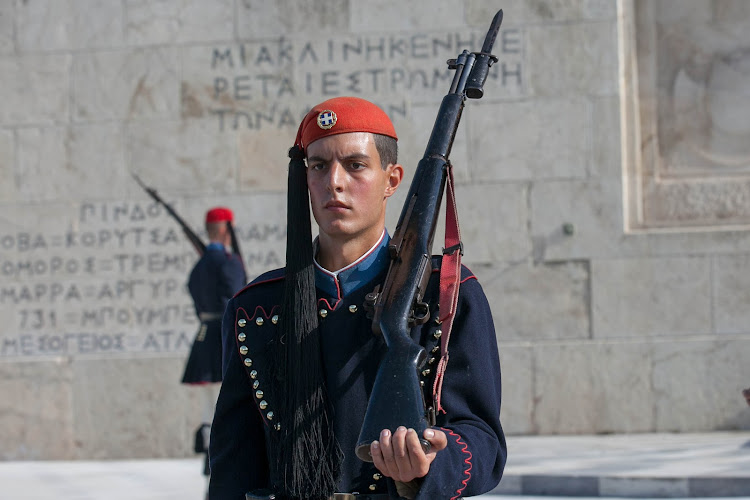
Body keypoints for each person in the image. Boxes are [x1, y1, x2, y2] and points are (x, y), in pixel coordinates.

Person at [209, 97, 506, 499]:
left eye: (355, 165)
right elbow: (234, 465)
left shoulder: (446, 293)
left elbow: (482, 442)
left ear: (392, 179)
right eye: (318, 166)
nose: (334, 181)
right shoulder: (256, 308)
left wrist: (429, 464)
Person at [181, 207, 247, 488]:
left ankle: (211, 465)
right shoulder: (229, 263)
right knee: (229, 409)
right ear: (225, 229)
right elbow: (236, 301)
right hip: (225, 338)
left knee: (209, 410)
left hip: (204, 338)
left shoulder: (199, 267)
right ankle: (222, 467)